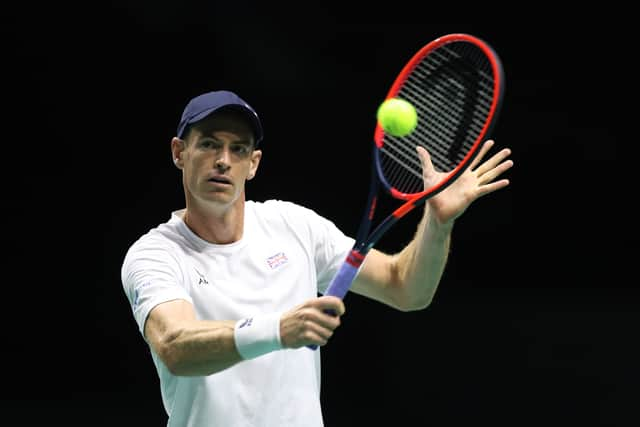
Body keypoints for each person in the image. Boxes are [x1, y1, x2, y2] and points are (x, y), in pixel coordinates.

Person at [120, 89, 513, 427]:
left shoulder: (294, 226)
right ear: (179, 152)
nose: (223, 159)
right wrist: (280, 329)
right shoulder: (156, 254)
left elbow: (405, 289)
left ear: (253, 163)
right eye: (208, 143)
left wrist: (437, 222)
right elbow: (175, 346)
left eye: (238, 149)